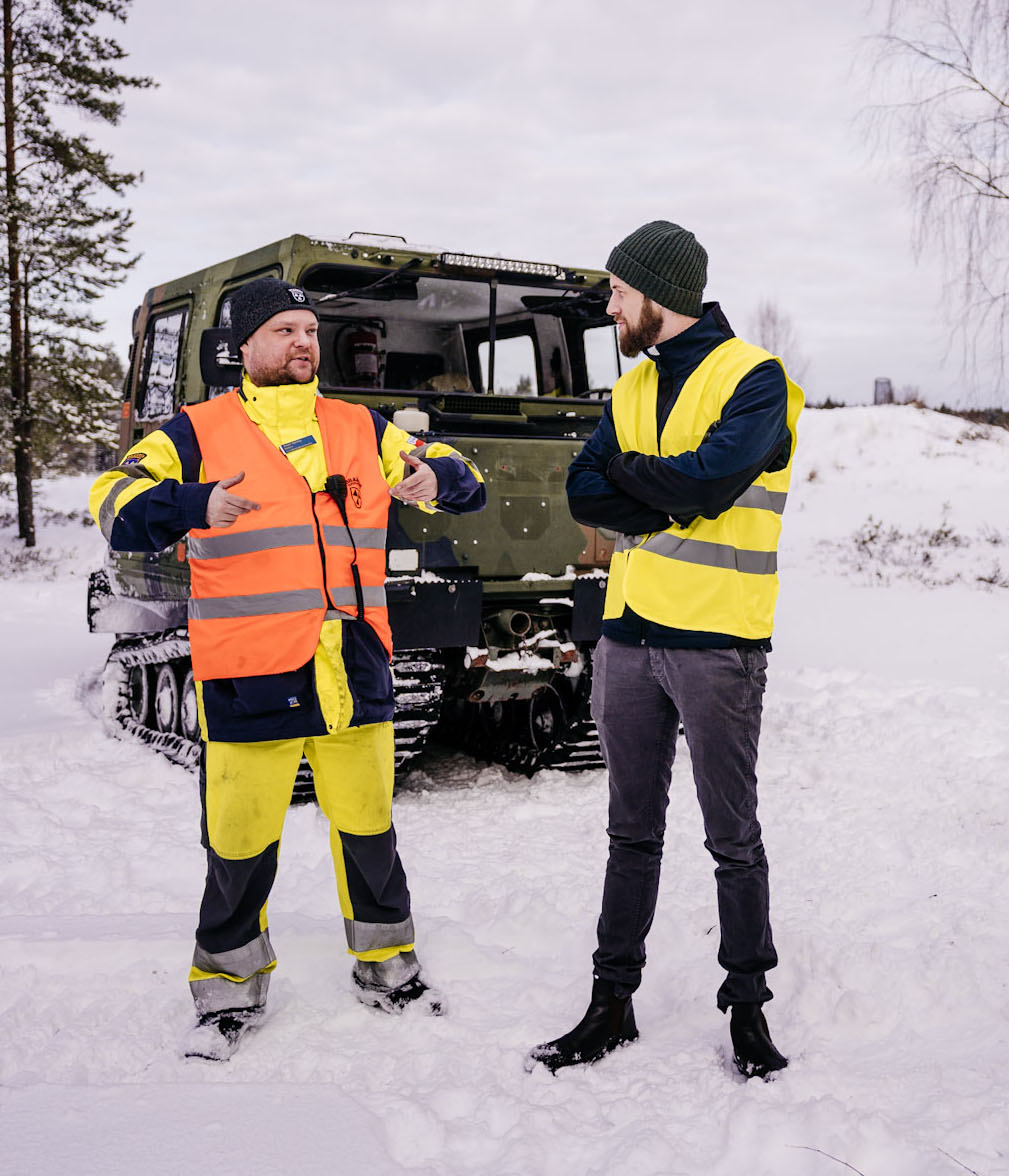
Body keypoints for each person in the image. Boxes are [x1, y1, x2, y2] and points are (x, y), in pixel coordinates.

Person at [89, 276, 487, 1060]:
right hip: (249, 671)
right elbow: (113, 498)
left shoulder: (359, 428)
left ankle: (388, 969)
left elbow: (454, 472)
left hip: (355, 669)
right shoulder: (195, 433)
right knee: (238, 841)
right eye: (283, 331)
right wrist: (191, 505)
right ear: (243, 349)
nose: (302, 342)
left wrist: (440, 477)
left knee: (369, 830)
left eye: (309, 329)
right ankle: (230, 992)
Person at [532, 221, 803, 1080]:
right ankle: (611, 1004)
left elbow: (711, 483)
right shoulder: (631, 387)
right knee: (629, 832)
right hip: (627, 633)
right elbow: (581, 486)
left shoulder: (756, 379)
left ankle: (749, 1012)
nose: (608, 306)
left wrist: (649, 490)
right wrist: (673, 496)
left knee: (732, 837)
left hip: (717, 639)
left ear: (659, 295)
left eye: (617, 291)